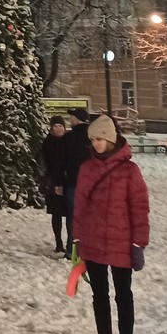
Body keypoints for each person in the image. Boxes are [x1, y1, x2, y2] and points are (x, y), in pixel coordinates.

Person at [73, 113, 149, 334]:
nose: (96, 143)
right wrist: (77, 238)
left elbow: (140, 208)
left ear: (111, 139)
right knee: (99, 295)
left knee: (123, 295)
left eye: (100, 138)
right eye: (92, 139)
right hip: (93, 241)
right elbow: (80, 206)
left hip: (120, 243)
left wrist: (139, 243)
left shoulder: (129, 170)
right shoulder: (86, 169)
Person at [39, 116, 73, 256]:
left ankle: (70, 243)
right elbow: (46, 162)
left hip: (67, 180)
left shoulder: (70, 141)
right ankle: (59, 243)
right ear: (51, 128)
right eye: (55, 126)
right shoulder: (48, 143)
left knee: (70, 213)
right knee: (56, 213)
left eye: (60, 126)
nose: (58, 129)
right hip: (53, 181)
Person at [63, 107, 92, 255]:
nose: (70, 119)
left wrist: (59, 181)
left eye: (72, 117)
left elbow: (62, 161)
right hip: (90, 184)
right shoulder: (92, 137)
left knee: (72, 216)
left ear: (76, 118)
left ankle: (72, 248)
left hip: (72, 182)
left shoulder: (69, 137)